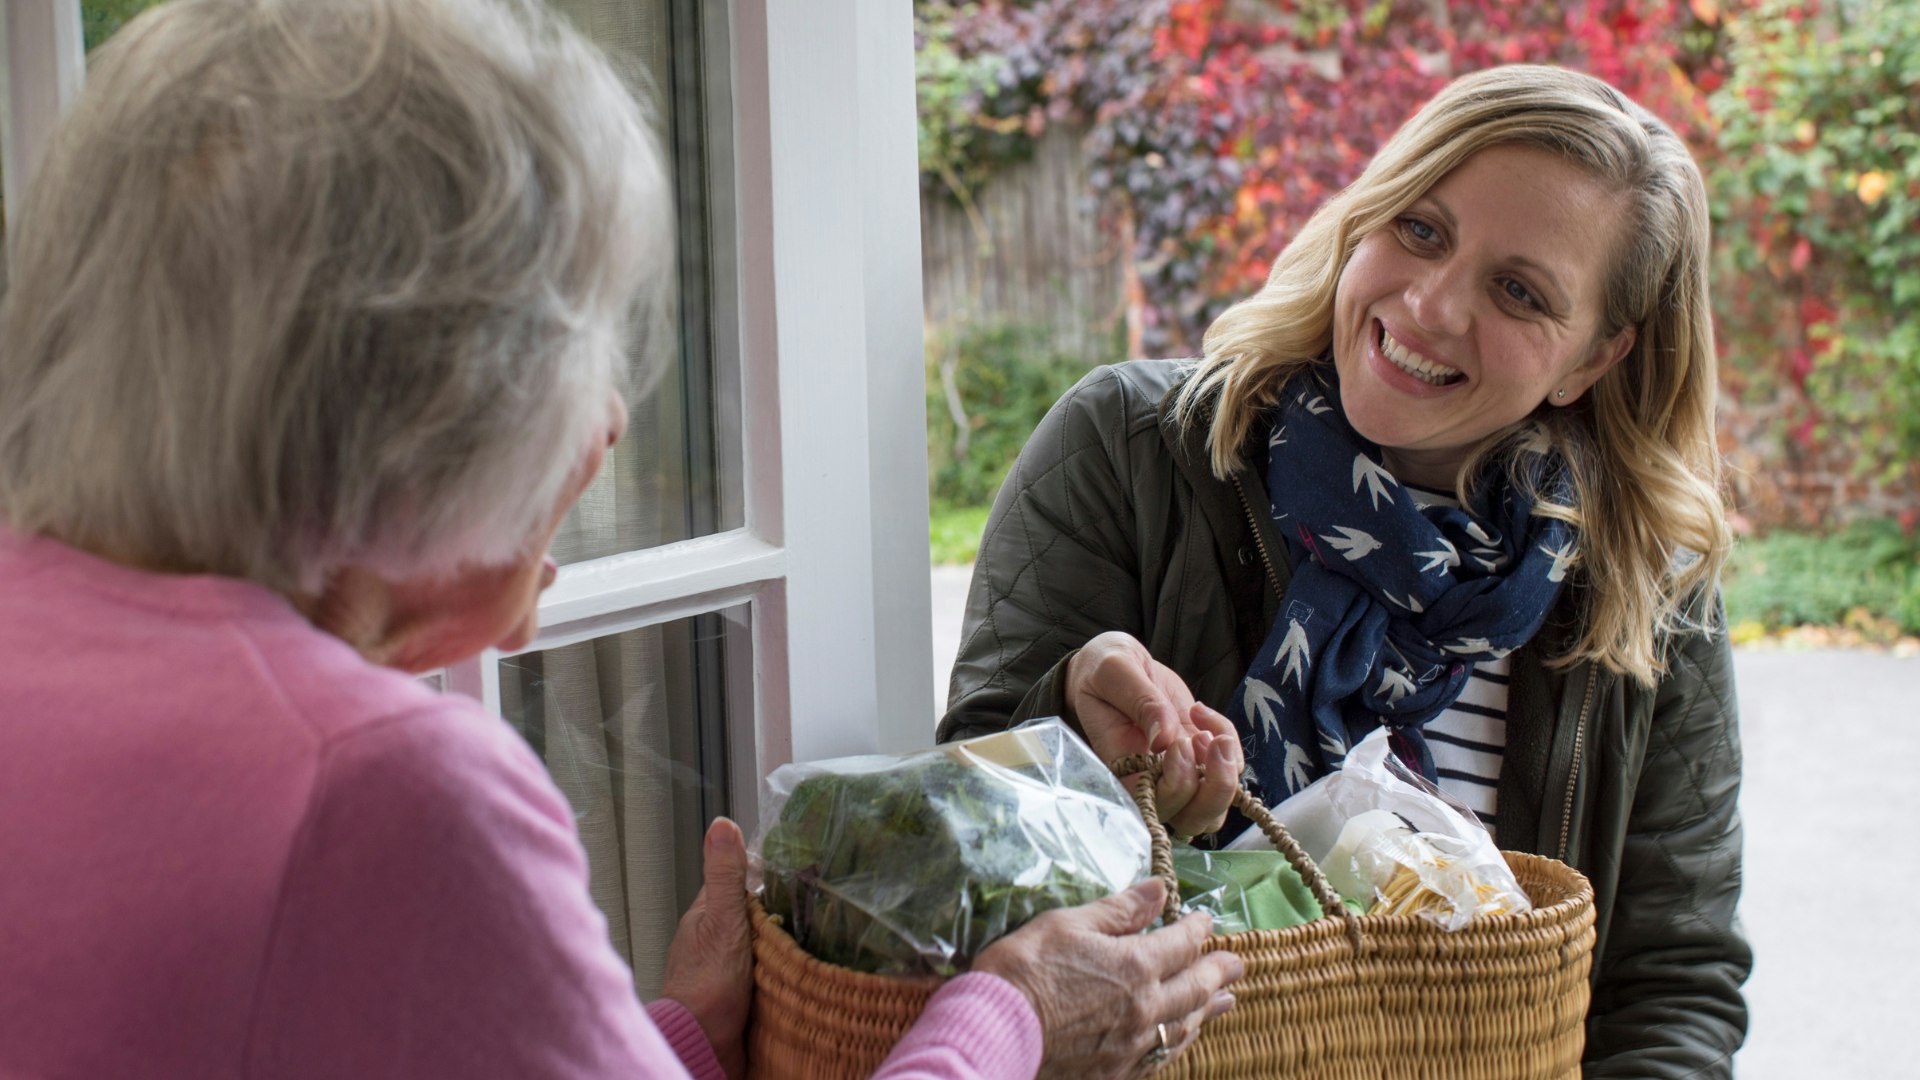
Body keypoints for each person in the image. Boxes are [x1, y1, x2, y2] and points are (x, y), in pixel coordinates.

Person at [0, 1, 1241, 1077]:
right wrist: (1011, 1021)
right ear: (426, 398)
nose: (605, 427)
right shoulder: (387, 795)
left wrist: (678, 1036)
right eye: (582, 338)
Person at [940, 64, 1750, 1077]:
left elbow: (1670, 984)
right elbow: (960, 845)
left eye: (1519, 290)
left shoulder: (1644, 586)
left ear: (1593, 358)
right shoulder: (1129, 450)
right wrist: (1074, 726)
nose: (1431, 304)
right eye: (1420, 228)